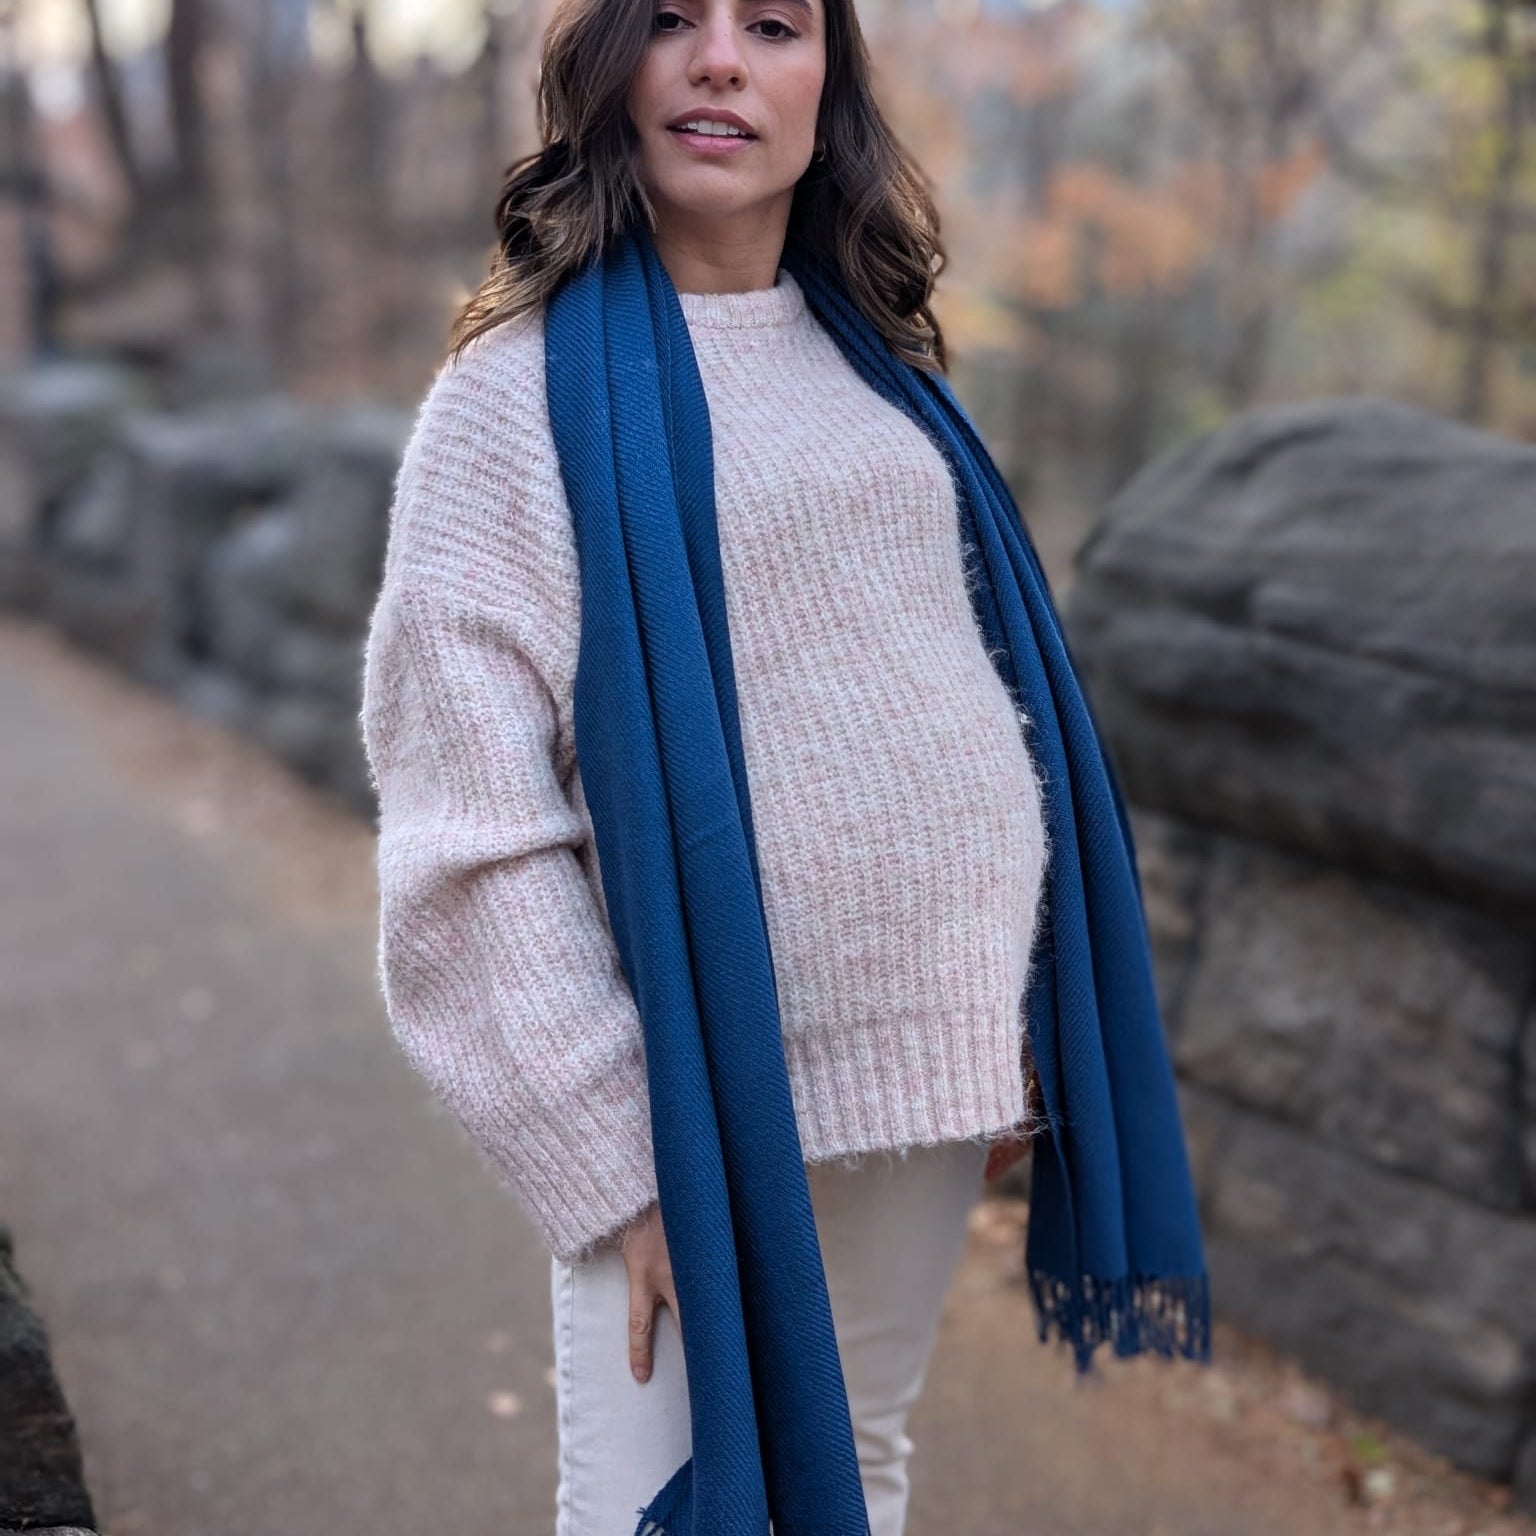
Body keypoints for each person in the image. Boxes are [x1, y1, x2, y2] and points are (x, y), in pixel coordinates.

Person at [360, 0, 1097, 1529]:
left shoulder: (886, 384)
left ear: (827, 83)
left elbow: (964, 705)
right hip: (683, 1103)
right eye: (674, 20)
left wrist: (1007, 1003)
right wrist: (615, 1162)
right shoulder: (511, 408)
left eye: (772, 24)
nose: (720, 62)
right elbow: (470, 832)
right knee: (655, 1506)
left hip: (922, 1066)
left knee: (864, 1462)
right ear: (604, 65)